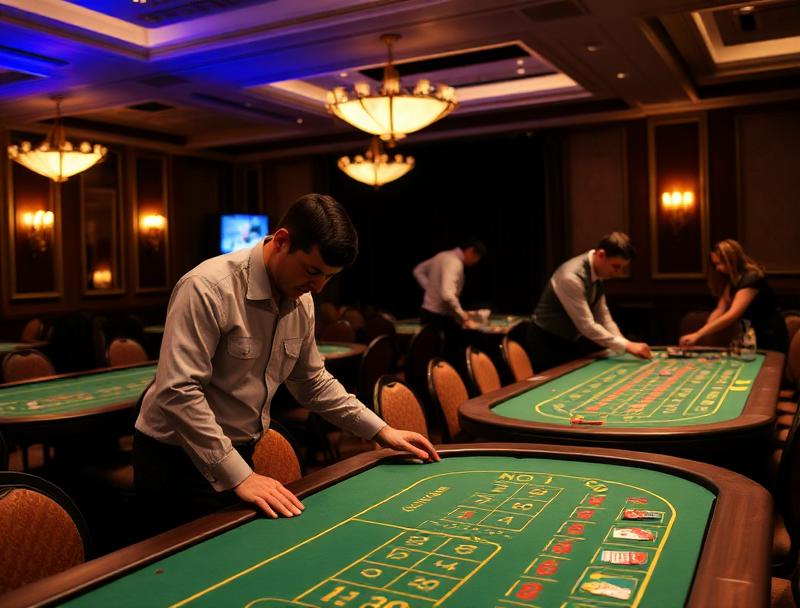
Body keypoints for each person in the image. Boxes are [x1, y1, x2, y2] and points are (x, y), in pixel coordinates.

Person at [134, 194, 439, 536]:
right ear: (281, 241)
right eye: (312, 271)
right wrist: (241, 475)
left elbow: (312, 382)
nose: (318, 287)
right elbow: (178, 392)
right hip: (176, 461)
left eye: (329, 277)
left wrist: (382, 431)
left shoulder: (302, 299)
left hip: (237, 453)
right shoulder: (207, 287)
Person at [527, 232, 652, 371]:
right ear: (601, 255)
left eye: (622, 268)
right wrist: (627, 346)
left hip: (568, 341)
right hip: (546, 342)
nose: (618, 273)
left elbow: (603, 316)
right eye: (616, 267)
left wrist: (624, 344)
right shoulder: (571, 277)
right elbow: (586, 325)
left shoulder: (598, 273)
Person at [679, 239, 789, 353]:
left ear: (731, 260)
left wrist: (698, 334)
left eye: (718, 263)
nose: (717, 268)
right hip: (752, 333)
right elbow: (720, 310)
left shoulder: (751, 278)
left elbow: (732, 315)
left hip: (769, 334)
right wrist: (703, 335)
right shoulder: (732, 281)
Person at [412, 239, 487, 364]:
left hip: (427, 313)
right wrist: (462, 315)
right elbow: (447, 294)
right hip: (438, 318)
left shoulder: (442, 255)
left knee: (428, 359)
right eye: (476, 258)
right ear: (470, 251)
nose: (475, 262)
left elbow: (418, 270)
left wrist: (431, 288)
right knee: (440, 362)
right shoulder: (454, 262)